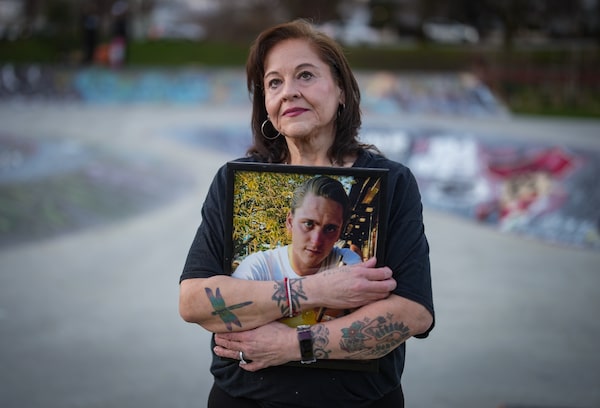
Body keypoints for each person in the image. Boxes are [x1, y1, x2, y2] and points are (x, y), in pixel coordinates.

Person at [179, 19, 434, 408]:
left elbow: (412, 313)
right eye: (274, 82)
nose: (289, 91)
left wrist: (294, 344)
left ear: (342, 90)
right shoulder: (233, 180)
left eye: (306, 75)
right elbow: (194, 302)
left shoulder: (393, 183)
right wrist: (319, 290)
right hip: (245, 398)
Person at [232, 175, 362, 327]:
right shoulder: (259, 266)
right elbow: (225, 313)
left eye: (330, 228)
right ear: (290, 222)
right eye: (308, 224)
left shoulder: (346, 262)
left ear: (340, 232)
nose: (316, 240)